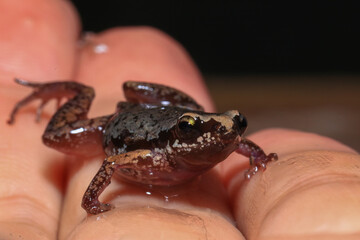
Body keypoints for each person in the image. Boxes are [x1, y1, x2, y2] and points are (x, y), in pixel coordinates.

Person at [1, 1, 359, 239]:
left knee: (214, 128)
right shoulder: (152, 153)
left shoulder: (225, 140)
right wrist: (91, 203)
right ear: (178, 135)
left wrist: (258, 157)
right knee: (55, 139)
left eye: (237, 125)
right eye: (191, 128)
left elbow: (240, 143)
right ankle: (76, 91)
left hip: (162, 121)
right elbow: (111, 160)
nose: (219, 137)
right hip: (112, 126)